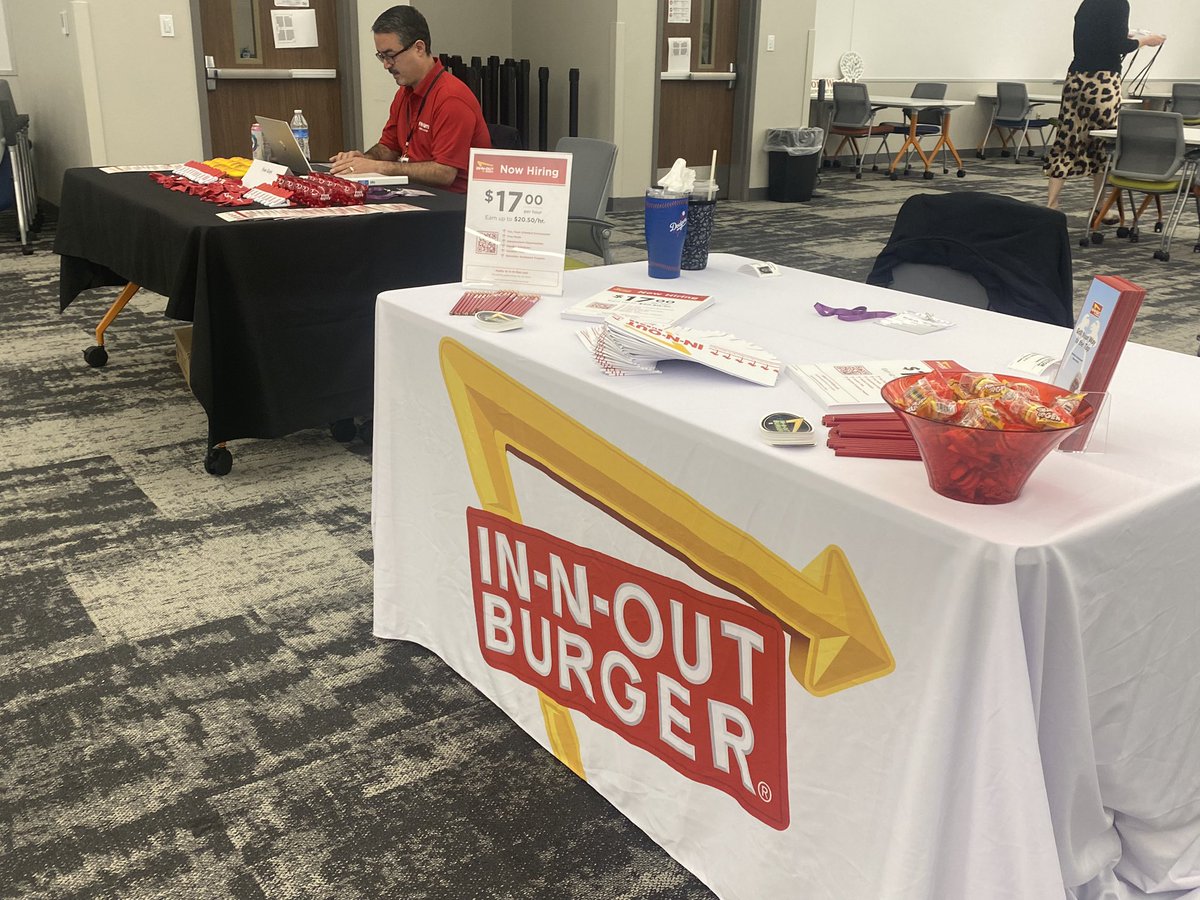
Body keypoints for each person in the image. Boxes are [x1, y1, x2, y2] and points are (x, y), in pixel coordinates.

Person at [329, 6, 490, 192]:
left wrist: (379, 167)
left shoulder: (451, 98)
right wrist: (364, 159)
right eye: (381, 57)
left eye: (390, 56)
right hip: (414, 194)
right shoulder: (405, 92)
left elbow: (444, 173)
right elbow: (388, 147)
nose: (386, 65)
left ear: (419, 48)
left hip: (452, 206)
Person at [1044, 0, 1165, 210]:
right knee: (1104, 142)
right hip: (1102, 82)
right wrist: (1146, 40)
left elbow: (1095, 39)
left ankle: (1051, 203)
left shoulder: (1087, 3)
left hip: (1075, 78)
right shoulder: (1119, 3)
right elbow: (1118, 46)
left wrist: (1123, 37)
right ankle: (1100, 206)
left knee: (1066, 139)